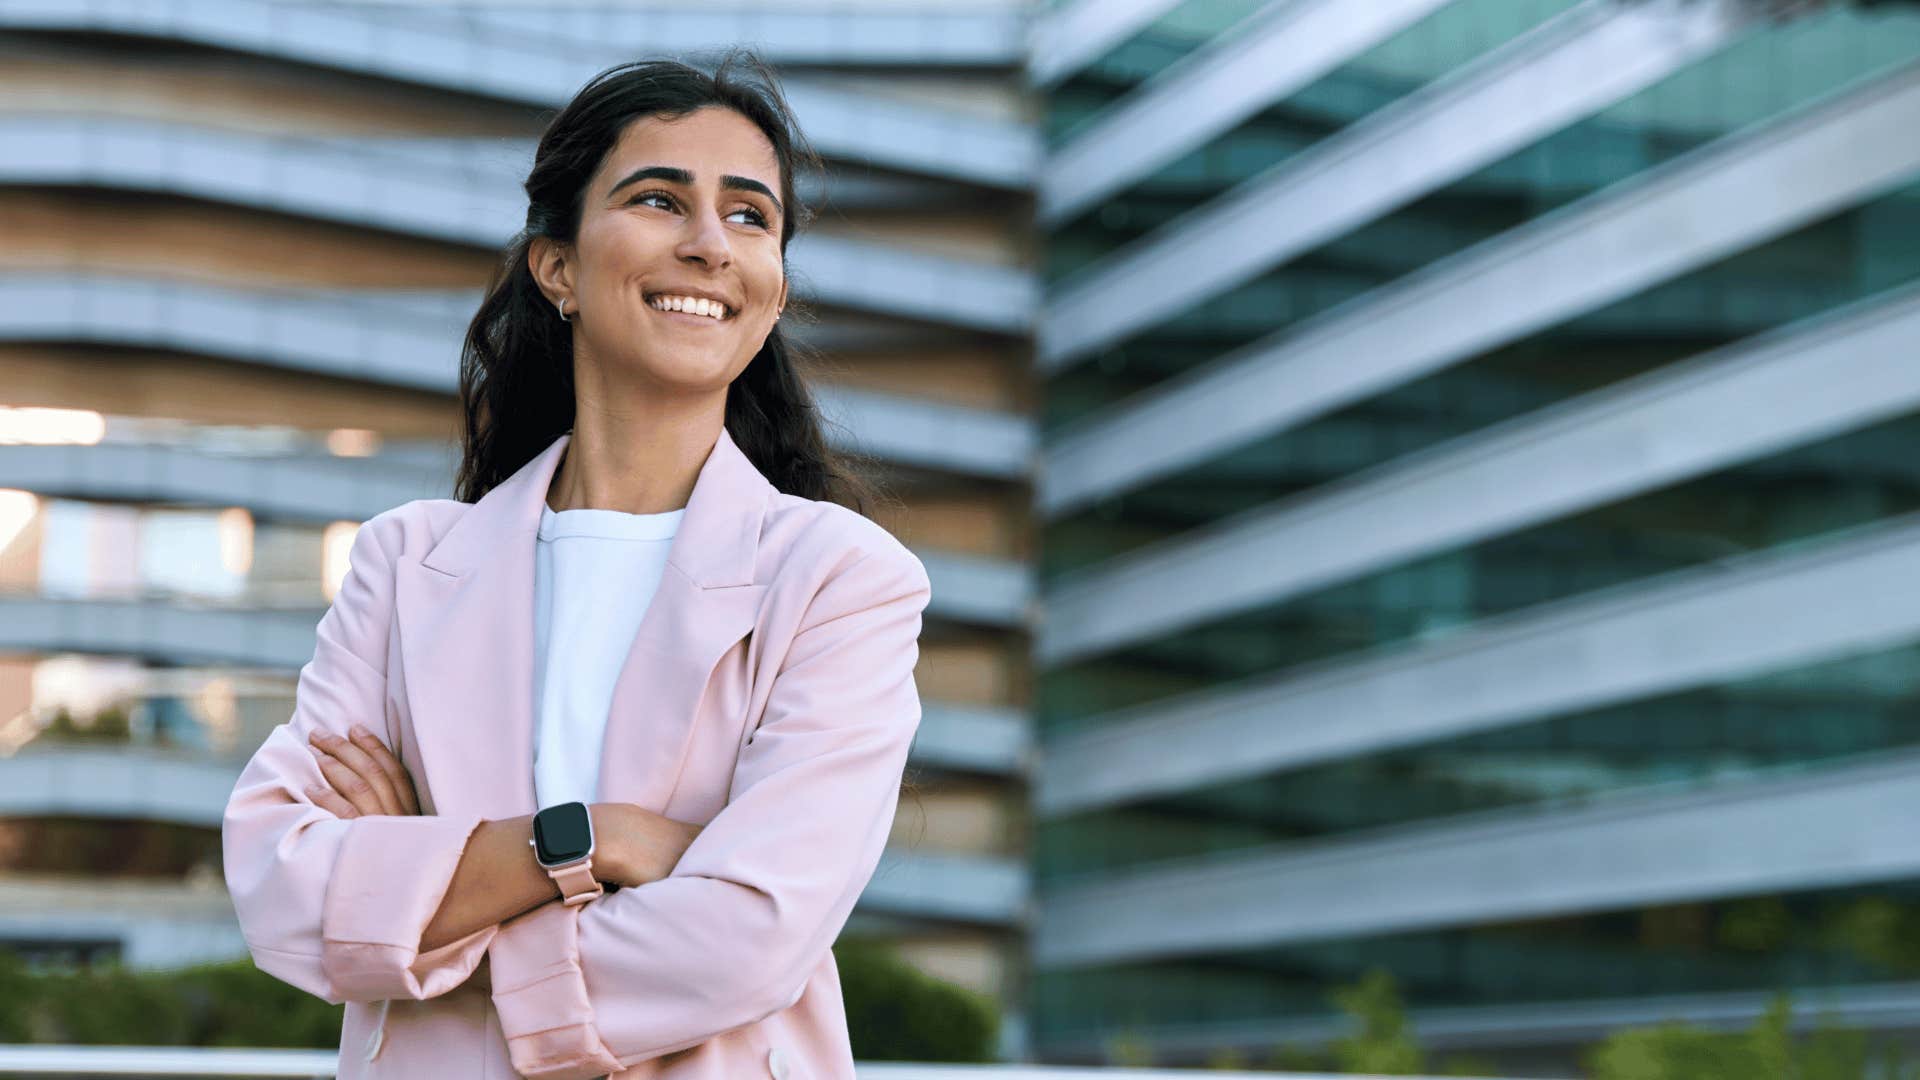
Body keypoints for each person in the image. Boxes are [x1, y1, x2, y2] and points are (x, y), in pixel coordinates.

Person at [222, 51, 932, 1080]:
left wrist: (420, 909)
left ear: (774, 287)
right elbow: (281, 887)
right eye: (658, 199)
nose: (707, 244)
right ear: (557, 266)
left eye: (749, 216)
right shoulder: (405, 561)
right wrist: (589, 841)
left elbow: (747, 938)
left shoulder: (840, 579)